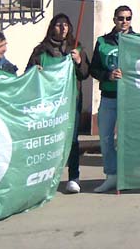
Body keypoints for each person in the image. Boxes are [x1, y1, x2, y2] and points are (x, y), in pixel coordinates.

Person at [26, 13, 90, 193]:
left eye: (66, 25)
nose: (63, 28)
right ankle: (46, 177)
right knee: (49, 139)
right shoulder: (40, 51)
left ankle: (73, 177)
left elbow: (85, 73)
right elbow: (28, 74)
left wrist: (78, 62)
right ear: (52, 27)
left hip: (71, 100)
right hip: (49, 103)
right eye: (58, 25)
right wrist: (35, 71)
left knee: (72, 140)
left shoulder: (76, 48)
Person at [90, 5, 135, 193]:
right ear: (114, 19)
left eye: (127, 18)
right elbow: (93, 69)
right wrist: (107, 75)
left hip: (130, 98)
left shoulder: (138, 41)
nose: (124, 22)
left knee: (127, 139)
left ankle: (128, 177)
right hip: (109, 97)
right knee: (106, 138)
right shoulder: (102, 42)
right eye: (120, 18)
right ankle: (112, 175)